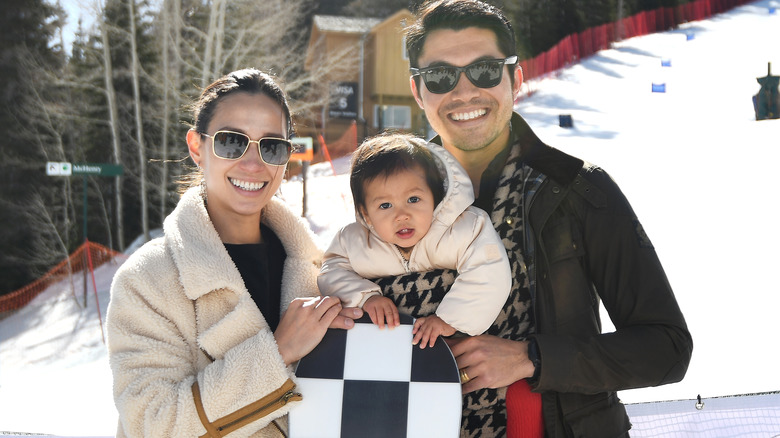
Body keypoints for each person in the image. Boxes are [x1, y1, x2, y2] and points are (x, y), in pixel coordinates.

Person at [372, 1, 695, 437]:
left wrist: (532, 358)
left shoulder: (580, 191)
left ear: (516, 79)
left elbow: (666, 349)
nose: (464, 91)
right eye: (441, 76)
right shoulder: (383, 202)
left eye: (485, 70)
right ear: (418, 91)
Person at [106, 68, 361, 438]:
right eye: (231, 142)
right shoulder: (148, 280)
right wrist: (278, 352)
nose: (253, 164)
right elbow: (152, 423)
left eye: (271, 146)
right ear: (197, 147)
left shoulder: (322, 271)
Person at [318, 132, 511, 348]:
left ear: (435, 197)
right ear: (365, 212)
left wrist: (449, 319)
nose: (402, 215)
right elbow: (331, 271)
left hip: (457, 343)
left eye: (413, 199)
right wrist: (365, 298)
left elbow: (489, 270)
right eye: (385, 205)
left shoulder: (465, 228)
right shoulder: (354, 241)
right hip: (387, 347)